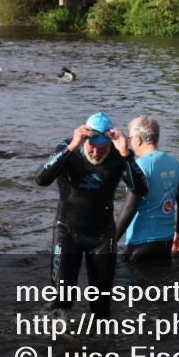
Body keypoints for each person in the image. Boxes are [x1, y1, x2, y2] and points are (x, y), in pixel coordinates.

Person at [34, 112, 147, 317]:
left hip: (102, 236)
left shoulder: (117, 155)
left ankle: (100, 344)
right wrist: (71, 147)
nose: (96, 152)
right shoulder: (68, 148)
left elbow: (141, 189)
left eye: (102, 148)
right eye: (91, 147)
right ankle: (57, 341)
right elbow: (41, 179)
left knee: (101, 305)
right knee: (61, 299)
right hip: (67, 231)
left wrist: (126, 154)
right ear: (84, 140)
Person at [115, 115, 179, 261]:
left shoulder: (139, 167)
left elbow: (129, 208)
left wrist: (111, 240)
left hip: (140, 245)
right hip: (166, 244)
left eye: (130, 139)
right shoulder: (175, 163)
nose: (131, 143)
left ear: (138, 139)